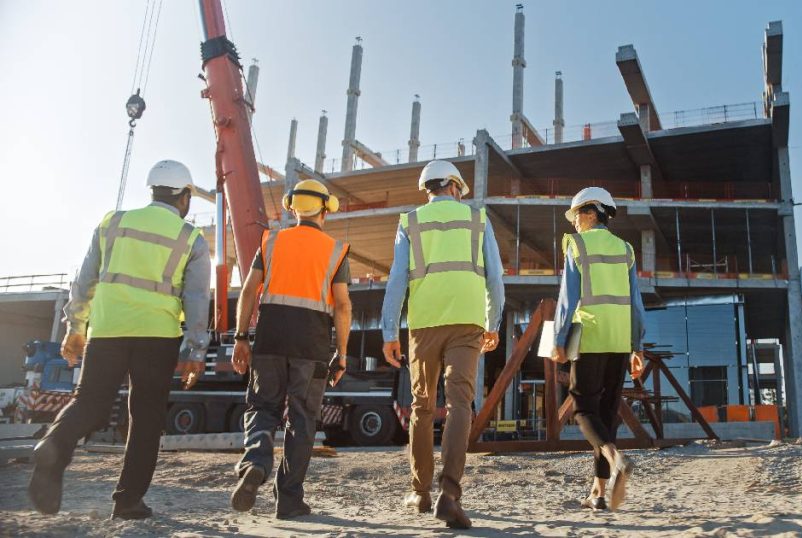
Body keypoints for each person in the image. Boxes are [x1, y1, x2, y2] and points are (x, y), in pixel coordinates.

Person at [29, 160, 211, 519]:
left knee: (90, 403)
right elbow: (196, 299)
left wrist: (75, 328)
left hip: (108, 329)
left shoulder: (112, 223)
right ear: (185, 197)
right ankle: (128, 501)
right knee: (145, 417)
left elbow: (83, 281)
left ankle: (54, 445)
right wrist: (194, 350)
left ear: (152, 190)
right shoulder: (191, 238)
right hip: (157, 336)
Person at [381, 160, 504, 529]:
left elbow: (397, 280)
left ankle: (419, 492)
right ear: (454, 186)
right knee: (459, 404)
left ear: (428, 188)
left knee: (421, 405)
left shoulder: (409, 221)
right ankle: (449, 495)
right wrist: (493, 322)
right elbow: (495, 278)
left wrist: (390, 331)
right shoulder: (479, 220)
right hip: (468, 323)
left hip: (423, 324)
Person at [229, 179, 353, 520]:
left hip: (269, 339)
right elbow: (342, 306)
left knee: (262, 407)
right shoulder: (336, 250)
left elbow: (250, 289)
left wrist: (241, 337)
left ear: (293, 208)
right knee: (302, 420)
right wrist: (341, 354)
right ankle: (289, 500)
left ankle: (255, 462)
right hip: (311, 346)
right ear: (325, 210)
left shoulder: (271, 241)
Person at [549, 187, 646, 512]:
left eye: (576, 214)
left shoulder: (576, 245)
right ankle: (599, 494)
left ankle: (616, 460)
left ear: (592, 211)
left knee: (583, 410)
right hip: (619, 340)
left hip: (589, 336)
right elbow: (636, 302)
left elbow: (568, 297)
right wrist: (637, 346)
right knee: (605, 418)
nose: (574, 222)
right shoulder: (625, 249)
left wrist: (558, 340)